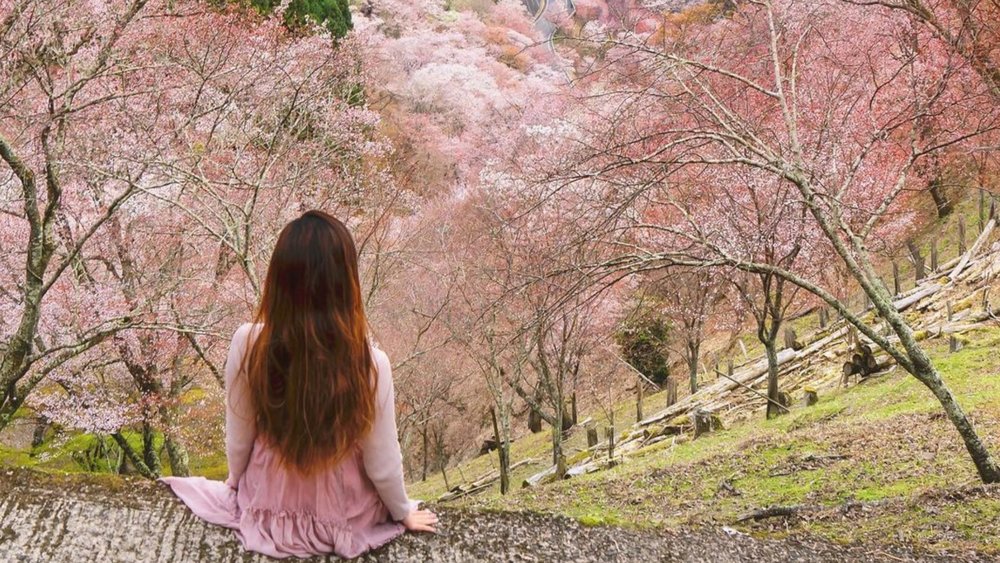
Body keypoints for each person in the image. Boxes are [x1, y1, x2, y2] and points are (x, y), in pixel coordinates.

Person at [161, 210, 437, 559]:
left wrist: (236, 480)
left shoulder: (248, 343)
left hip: (268, 504)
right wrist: (402, 511)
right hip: (340, 511)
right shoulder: (368, 363)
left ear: (278, 280)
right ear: (346, 282)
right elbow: (380, 459)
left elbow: (240, 430)